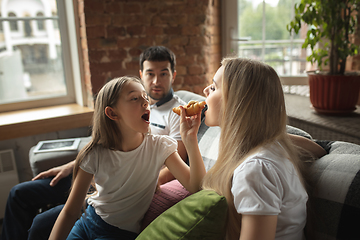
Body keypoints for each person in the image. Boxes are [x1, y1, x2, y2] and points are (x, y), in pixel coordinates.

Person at [0, 46, 187, 240]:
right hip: (101, 169)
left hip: (124, 183)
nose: (156, 81)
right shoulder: (131, 103)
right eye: (150, 74)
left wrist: (143, 182)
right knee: (18, 193)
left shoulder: (176, 112)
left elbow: (175, 165)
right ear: (141, 74)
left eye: (163, 74)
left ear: (173, 75)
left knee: (40, 224)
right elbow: (106, 143)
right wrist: (74, 165)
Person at [48, 76, 205, 240]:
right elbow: (70, 211)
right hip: (87, 221)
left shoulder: (159, 147)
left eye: (145, 97)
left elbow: (197, 187)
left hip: (118, 233)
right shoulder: (94, 153)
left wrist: (190, 139)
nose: (145, 102)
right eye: (135, 98)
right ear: (112, 113)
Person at [196, 57, 321, 240]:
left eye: (214, 87)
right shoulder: (272, 145)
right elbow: (319, 150)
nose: (205, 90)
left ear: (235, 103)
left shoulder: (255, 170)